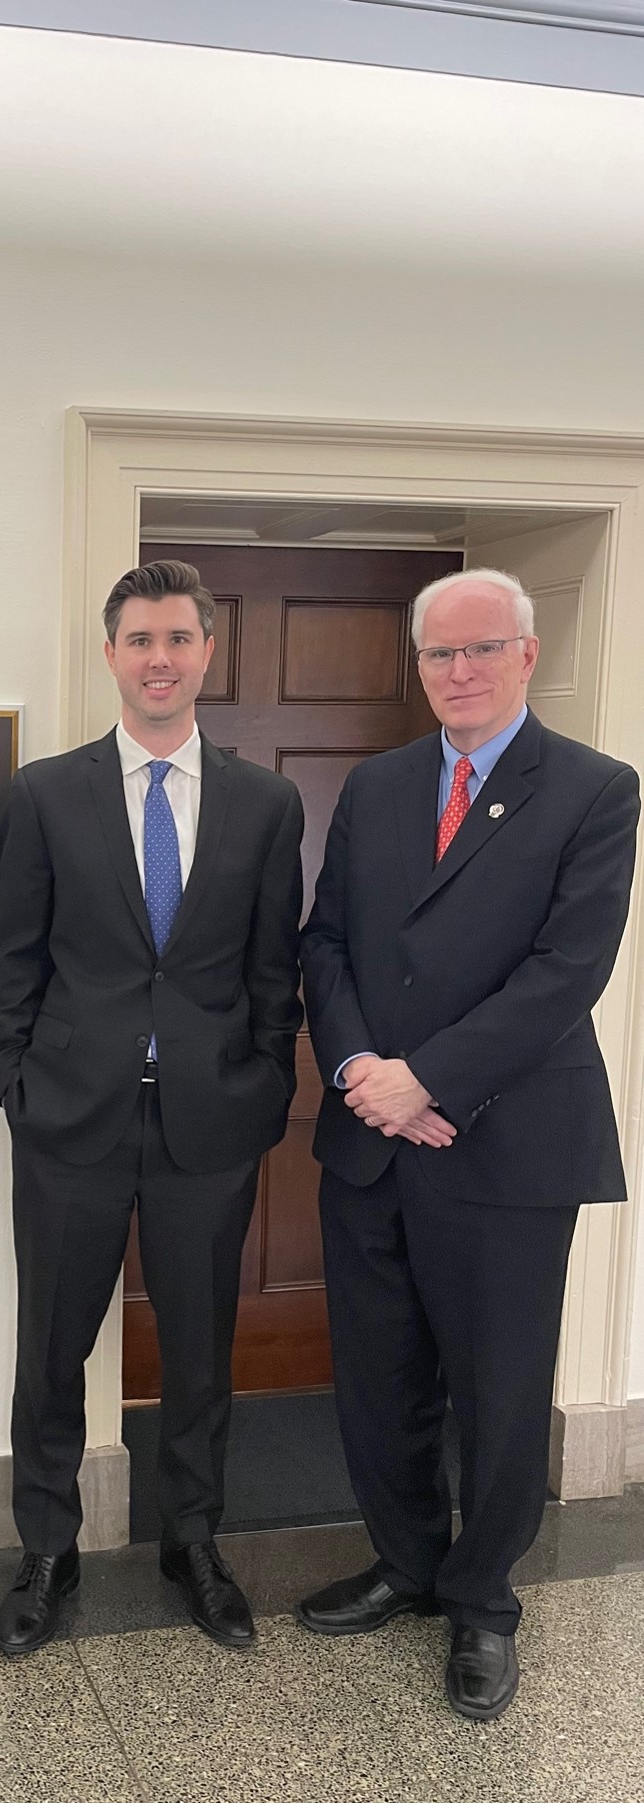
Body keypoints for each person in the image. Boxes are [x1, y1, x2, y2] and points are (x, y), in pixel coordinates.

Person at [297, 567, 639, 1722]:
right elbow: (325, 942)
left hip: (504, 1144)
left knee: (496, 1384)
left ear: (526, 654)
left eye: (480, 648)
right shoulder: (378, 784)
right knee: (380, 1371)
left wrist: (426, 1078)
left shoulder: (593, 788)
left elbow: (565, 970)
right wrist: (359, 1070)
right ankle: (403, 1560)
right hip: (371, 1138)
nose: (458, 671)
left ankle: (482, 1597)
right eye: (438, 653)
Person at [0, 558, 305, 1656]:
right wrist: (15, 1083)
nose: (158, 658)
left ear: (206, 650)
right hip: (69, 1120)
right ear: (111, 653)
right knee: (50, 1346)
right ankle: (46, 1546)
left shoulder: (265, 803)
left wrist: (265, 1089)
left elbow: (274, 969)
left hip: (209, 1125)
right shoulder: (44, 793)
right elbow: (15, 959)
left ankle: (193, 1540)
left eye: (177, 638)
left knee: (200, 1347)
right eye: (139, 640)